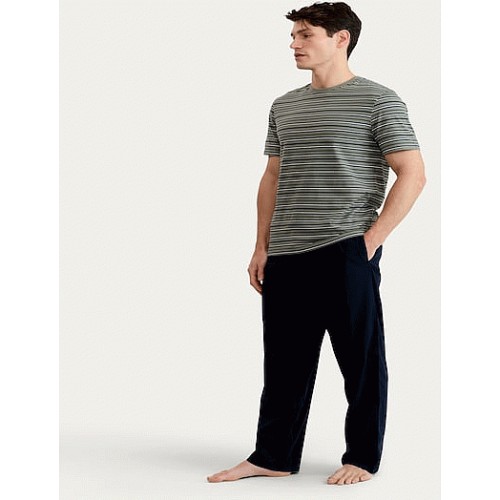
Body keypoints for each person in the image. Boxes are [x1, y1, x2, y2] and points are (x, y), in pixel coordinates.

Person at [207, 1, 426, 486]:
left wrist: (371, 240)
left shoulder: (379, 100)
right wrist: (261, 246)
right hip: (286, 252)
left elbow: (412, 173)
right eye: (294, 36)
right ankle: (273, 456)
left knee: (360, 362)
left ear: (341, 38)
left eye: (305, 34)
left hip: (346, 248)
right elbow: (272, 176)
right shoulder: (284, 105)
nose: (294, 44)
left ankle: (362, 457)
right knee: (284, 363)